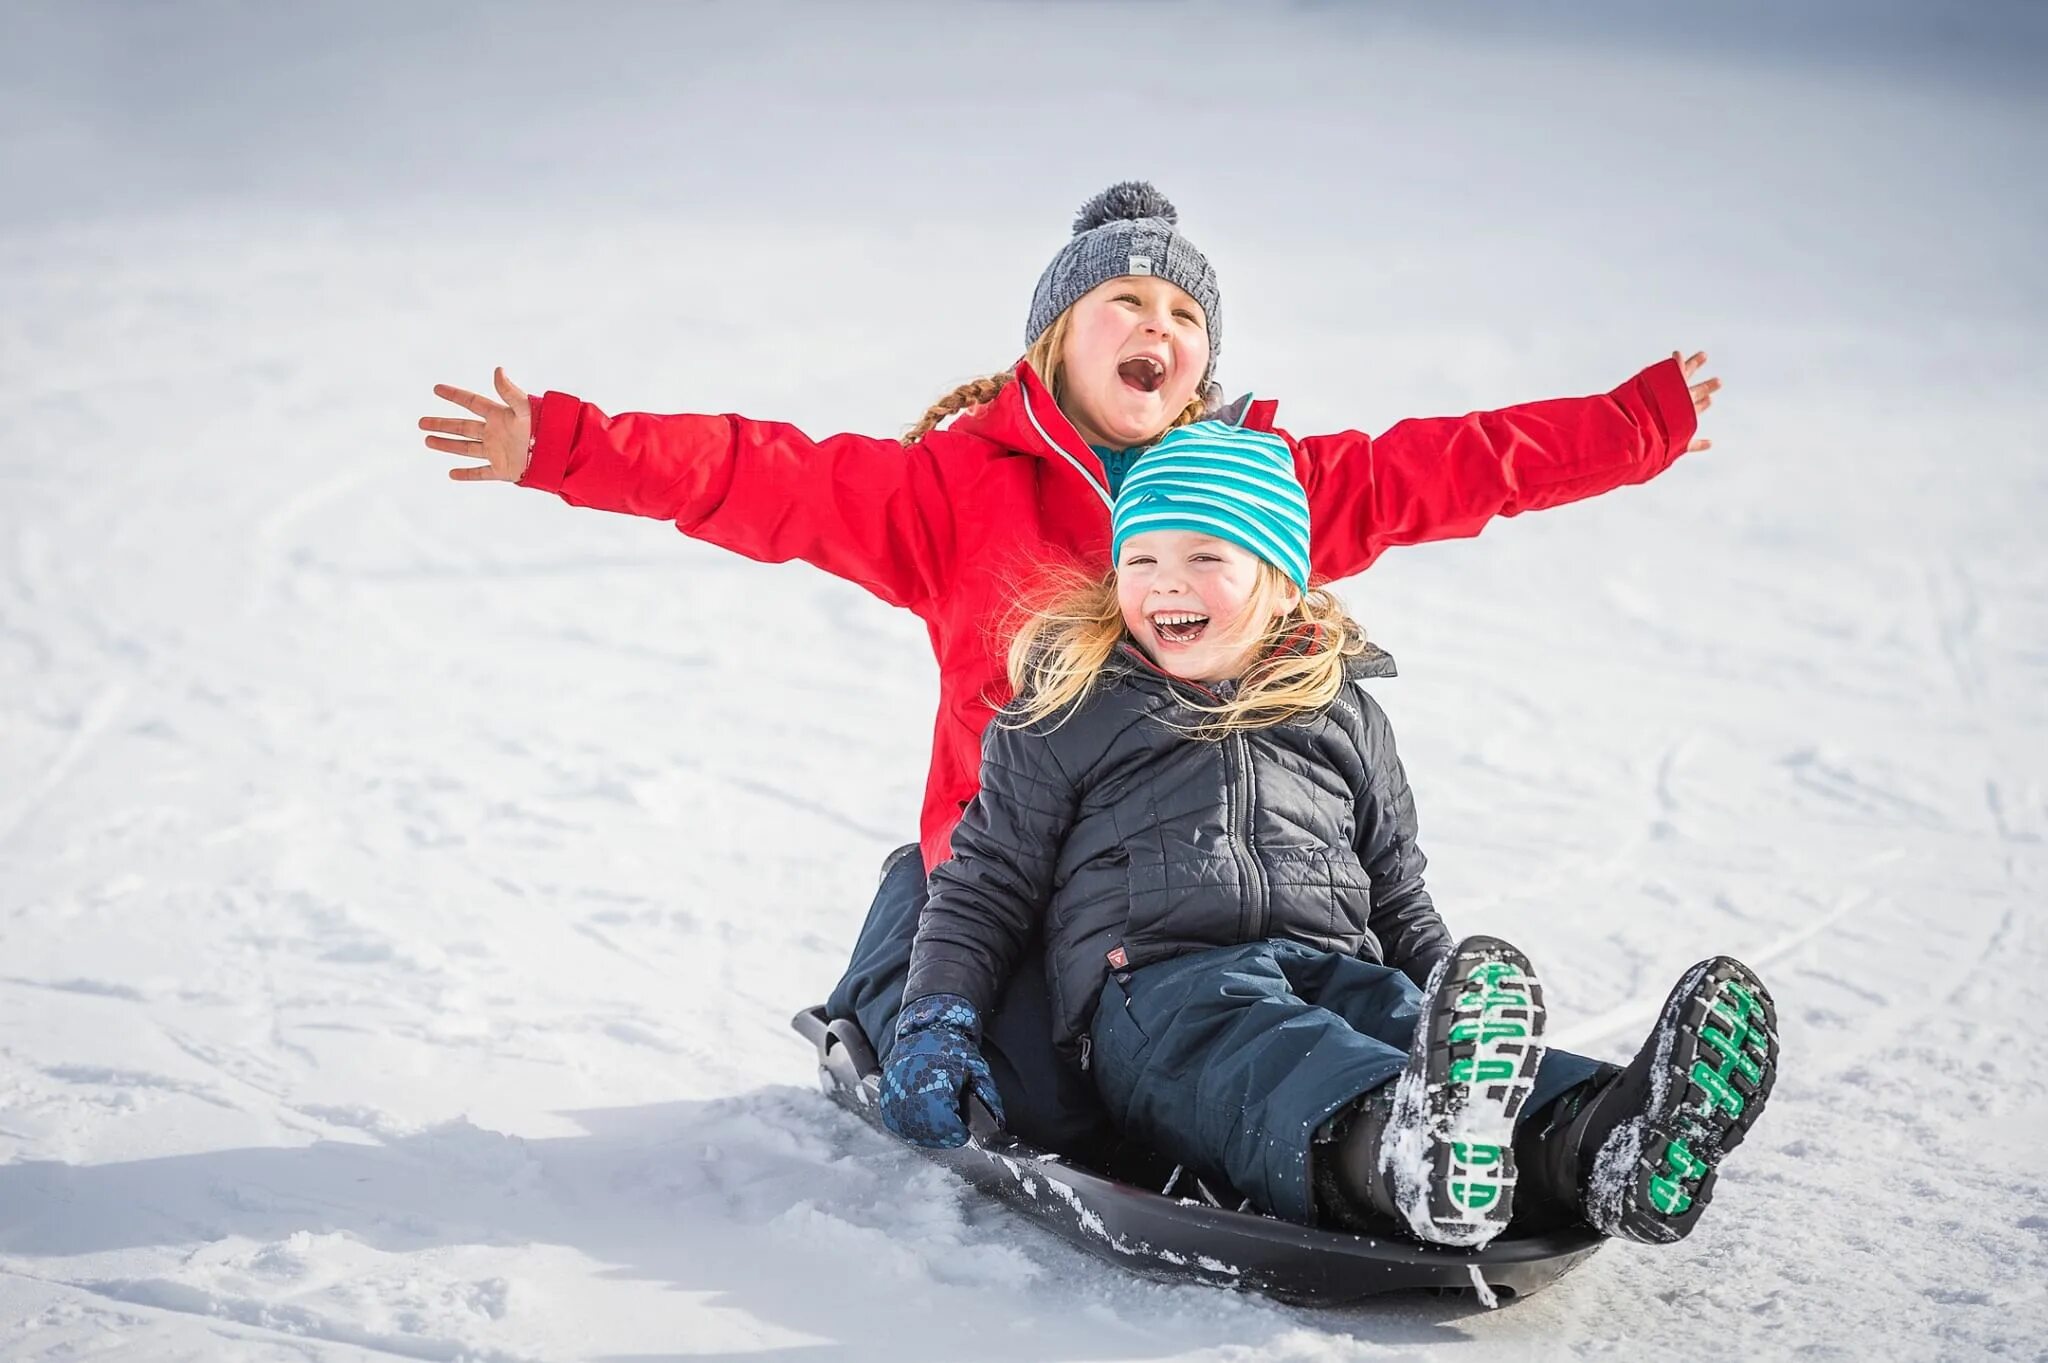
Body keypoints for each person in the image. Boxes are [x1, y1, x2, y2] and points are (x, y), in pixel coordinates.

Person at [419, 181, 1722, 1159]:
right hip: (1009, 867)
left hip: (1209, 870)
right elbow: (757, 472)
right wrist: (567, 444)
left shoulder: (1263, 492)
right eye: (1127, 301)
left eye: (1185, 310)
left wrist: (1637, 423)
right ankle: (930, 1017)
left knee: (1333, 993)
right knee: (1034, 1096)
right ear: (1056, 337)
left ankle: (1567, 1130)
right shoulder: (950, 490)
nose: (1160, 322)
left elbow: (1454, 461)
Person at [879, 422, 1780, 1248]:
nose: (1164, 582)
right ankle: (1398, 1159)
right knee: (1279, 1058)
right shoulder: (1071, 710)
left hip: (1334, 964)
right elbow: (986, 883)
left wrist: (1441, 996)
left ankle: (1605, 1138)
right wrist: (937, 1016)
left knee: (1393, 1027)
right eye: (1140, 556)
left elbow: (1395, 889)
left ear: (1279, 577)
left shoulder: (1343, 714)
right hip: (1157, 992)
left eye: (1205, 554)